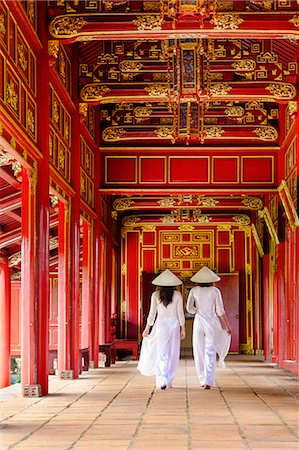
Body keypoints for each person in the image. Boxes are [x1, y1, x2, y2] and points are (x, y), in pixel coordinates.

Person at [137, 269, 186, 390]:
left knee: (161, 352)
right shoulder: (178, 295)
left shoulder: (155, 295)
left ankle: (161, 380)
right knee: (172, 353)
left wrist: (147, 328)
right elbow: (180, 313)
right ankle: (168, 380)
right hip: (174, 326)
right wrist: (183, 328)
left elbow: (152, 314)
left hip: (160, 326)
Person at [186, 266, 231, 390]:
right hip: (212, 322)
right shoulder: (215, 291)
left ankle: (201, 379)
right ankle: (208, 381)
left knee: (198, 350)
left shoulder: (194, 290)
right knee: (209, 350)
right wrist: (226, 325)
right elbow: (220, 310)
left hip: (199, 322)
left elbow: (189, 308)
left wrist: (198, 311)